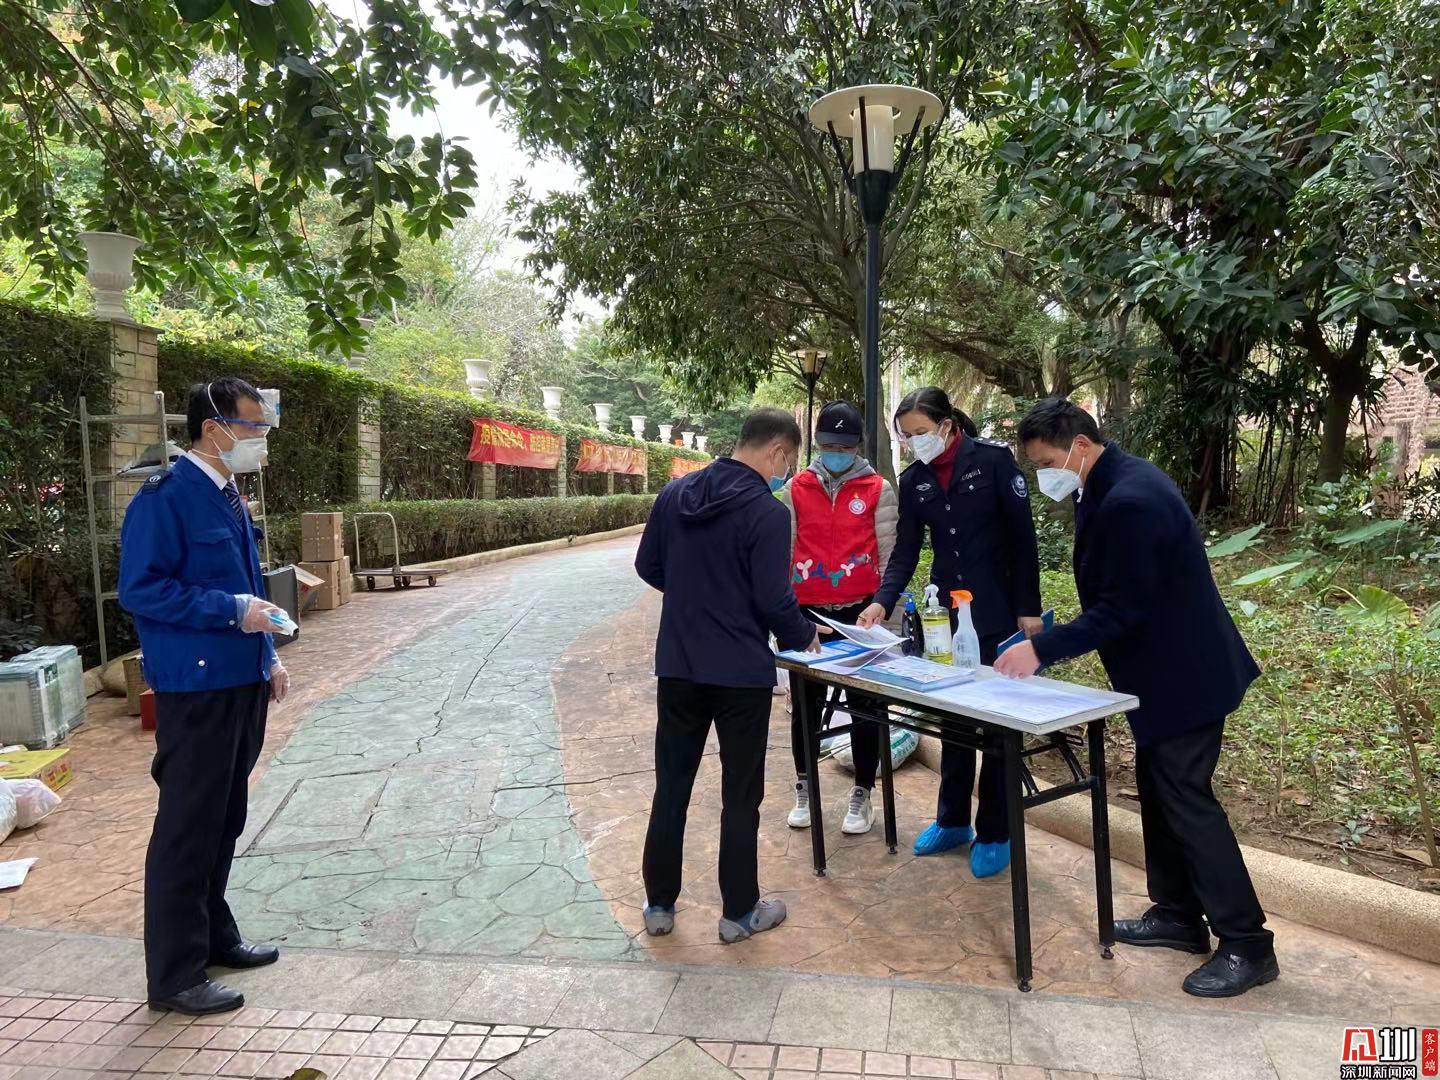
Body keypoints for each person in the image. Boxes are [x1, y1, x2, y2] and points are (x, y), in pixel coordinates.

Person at [995, 396, 1277, 998]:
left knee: (1187, 800)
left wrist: (1041, 650)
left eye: (1046, 462)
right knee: (1159, 792)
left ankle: (1248, 943)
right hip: (1156, 677)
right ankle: (1177, 914)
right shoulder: (1106, 484)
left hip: (1186, 677)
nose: (1045, 475)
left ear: (1079, 444)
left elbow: (1124, 607)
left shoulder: (1133, 498)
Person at [118, 377, 290, 1016]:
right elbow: (141, 589)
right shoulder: (166, 498)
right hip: (196, 688)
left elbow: (246, 583)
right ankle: (174, 974)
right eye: (252, 427)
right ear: (213, 428)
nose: (260, 439)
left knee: (223, 819)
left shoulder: (226, 493)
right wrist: (230, 611)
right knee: (188, 828)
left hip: (240, 680)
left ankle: (215, 937)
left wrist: (267, 653)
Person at [635, 407, 822, 944]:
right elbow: (773, 599)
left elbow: (648, 566)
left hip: (679, 664)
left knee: (672, 784)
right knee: (740, 794)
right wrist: (803, 634)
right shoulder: (767, 512)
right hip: (740, 672)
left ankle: (659, 904)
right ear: (778, 452)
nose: (785, 473)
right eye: (789, 462)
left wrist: (695, 595)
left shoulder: (675, 494)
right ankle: (739, 912)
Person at [857, 386, 1042, 879]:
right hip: (947, 619)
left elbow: (1023, 540)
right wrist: (882, 600)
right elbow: (906, 550)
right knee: (954, 717)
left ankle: (996, 830)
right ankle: (952, 820)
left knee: (998, 721)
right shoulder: (914, 479)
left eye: (921, 431)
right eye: (906, 434)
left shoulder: (994, 462)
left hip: (998, 611)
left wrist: (1029, 609)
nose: (914, 441)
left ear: (946, 425)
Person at [778, 401, 898, 836]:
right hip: (806, 615)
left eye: (844, 447)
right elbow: (784, 554)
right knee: (805, 707)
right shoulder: (796, 489)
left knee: (866, 708)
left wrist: (887, 620)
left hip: (860, 616)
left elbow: (889, 555)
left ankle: (863, 791)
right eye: (829, 446)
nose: (836, 453)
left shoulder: (878, 489)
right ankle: (804, 784)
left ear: (857, 446)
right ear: (817, 443)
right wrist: (786, 616)